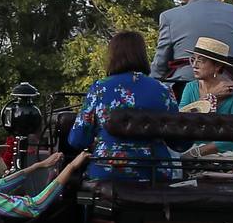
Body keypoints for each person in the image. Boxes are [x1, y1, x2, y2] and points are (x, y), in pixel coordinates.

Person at [69, 31, 180, 181]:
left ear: (113, 56)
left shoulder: (100, 88)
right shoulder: (164, 90)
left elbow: (78, 139)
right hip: (154, 172)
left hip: (108, 170)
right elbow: (178, 142)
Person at [178, 37, 233, 159]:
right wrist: (211, 97)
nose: (194, 65)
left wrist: (196, 152)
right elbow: (180, 121)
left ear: (217, 66)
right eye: (193, 59)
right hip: (192, 154)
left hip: (229, 156)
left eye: (201, 61)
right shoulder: (190, 87)